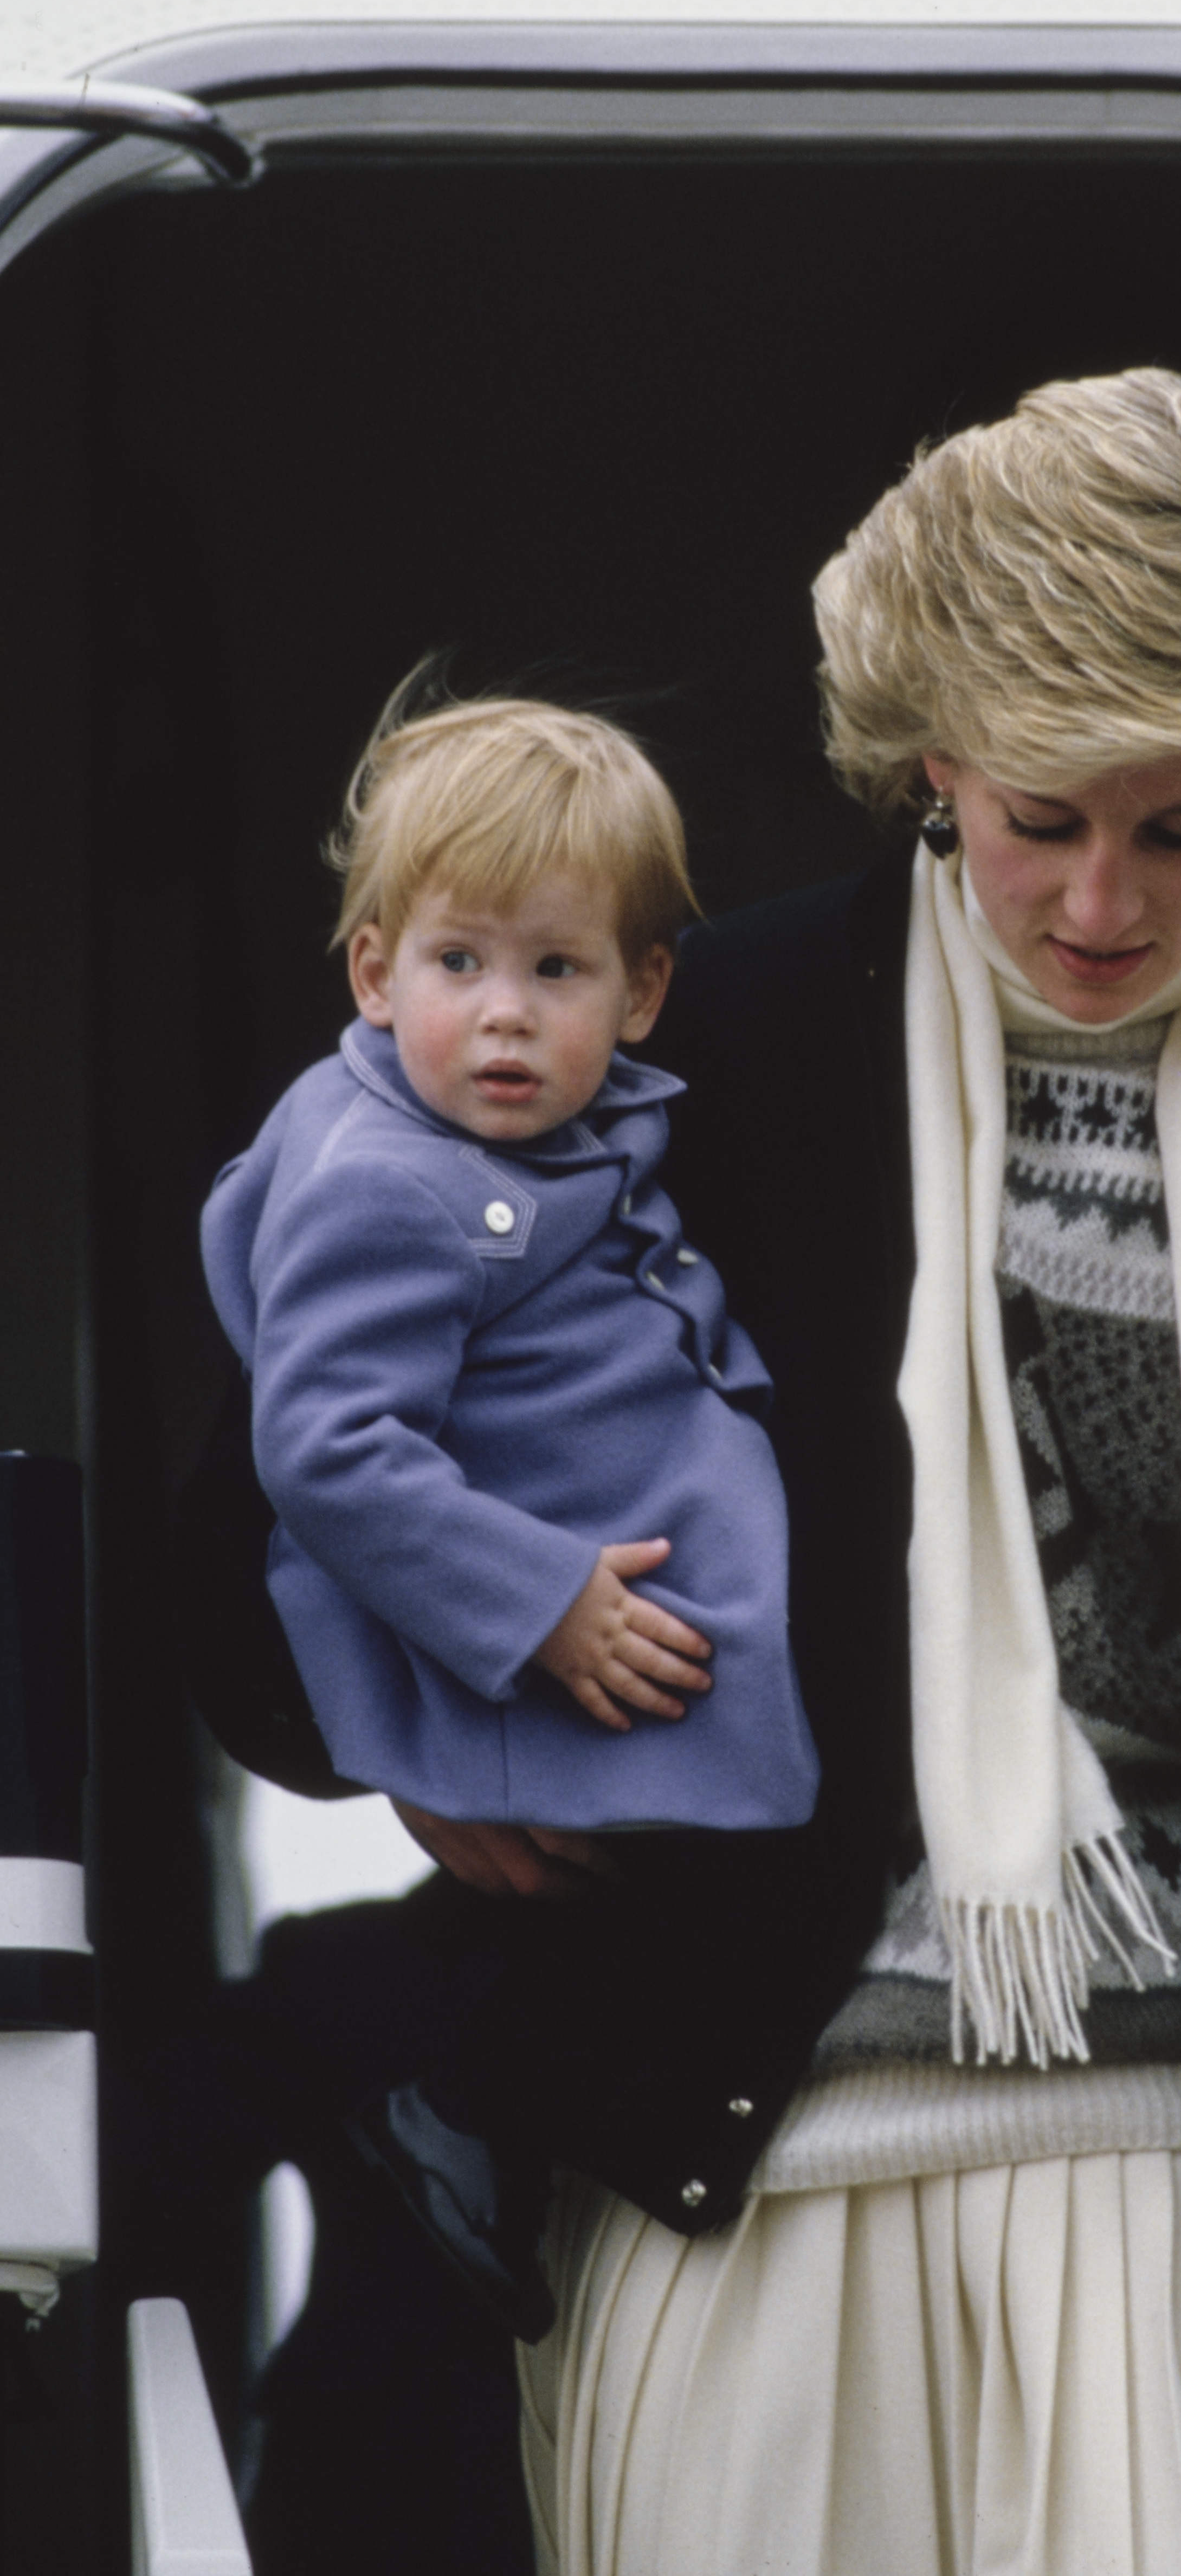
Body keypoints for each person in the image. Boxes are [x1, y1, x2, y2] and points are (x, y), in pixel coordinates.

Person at [197, 372, 1181, 2576]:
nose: (1102, 900)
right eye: (1039, 816)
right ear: (927, 763)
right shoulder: (695, 1052)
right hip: (748, 2173)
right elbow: (275, 1466)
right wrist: (420, 1709)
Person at [199, 692, 818, 2337]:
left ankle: (487, 2110)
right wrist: (539, 1605)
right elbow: (325, 1443)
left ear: (644, 992)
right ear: (373, 970)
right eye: (460, 965)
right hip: (550, 1627)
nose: (503, 1020)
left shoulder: (561, 1129)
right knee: (664, 1895)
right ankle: (469, 2114)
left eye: (557, 973)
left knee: (668, 1898)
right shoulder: (387, 1178)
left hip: (625, 1599)